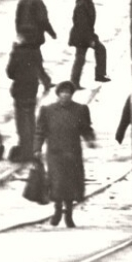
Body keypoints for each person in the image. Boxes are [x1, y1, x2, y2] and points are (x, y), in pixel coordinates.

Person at [33, 81, 96, 227]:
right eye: (62, 92)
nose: (65, 95)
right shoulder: (47, 111)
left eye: (68, 92)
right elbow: (40, 131)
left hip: (73, 153)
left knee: (71, 184)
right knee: (56, 184)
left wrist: (90, 139)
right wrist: (37, 148)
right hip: (55, 153)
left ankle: (68, 214)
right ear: (58, 94)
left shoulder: (80, 109)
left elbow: (86, 128)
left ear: (71, 95)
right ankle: (56, 212)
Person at [6, 31, 42, 162]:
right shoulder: (36, 51)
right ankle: (32, 149)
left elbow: (10, 73)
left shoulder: (17, 52)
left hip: (20, 90)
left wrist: (13, 51)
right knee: (31, 119)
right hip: (32, 89)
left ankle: (25, 151)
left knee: (21, 122)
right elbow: (39, 69)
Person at [15, 0, 56, 91]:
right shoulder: (38, 2)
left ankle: (45, 80)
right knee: (35, 59)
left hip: (24, 36)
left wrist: (19, 33)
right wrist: (51, 33)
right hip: (34, 37)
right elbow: (43, 20)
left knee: (31, 58)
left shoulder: (23, 1)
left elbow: (17, 19)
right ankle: (43, 82)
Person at [68, 0, 110, 89]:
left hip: (84, 34)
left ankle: (97, 76)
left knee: (87, 56)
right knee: (81, 58)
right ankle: (75, 82)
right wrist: (90, 40)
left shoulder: (87, 3)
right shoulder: (82, 4)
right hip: (81, 36)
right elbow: (83, 25)